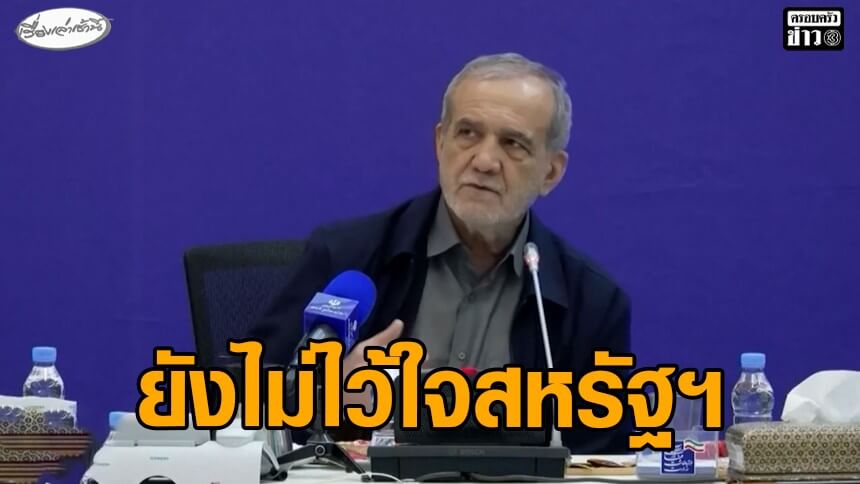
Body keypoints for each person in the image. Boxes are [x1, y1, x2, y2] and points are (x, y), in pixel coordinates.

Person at [249, 52, 632, 454]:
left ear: (551, 172)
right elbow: (247, 398)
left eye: (513, 144)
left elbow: (603, 459)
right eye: (467, 133)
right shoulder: (346, 258)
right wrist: (326, 392)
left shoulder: (592, 303)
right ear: (439, 142)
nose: (484, 161)